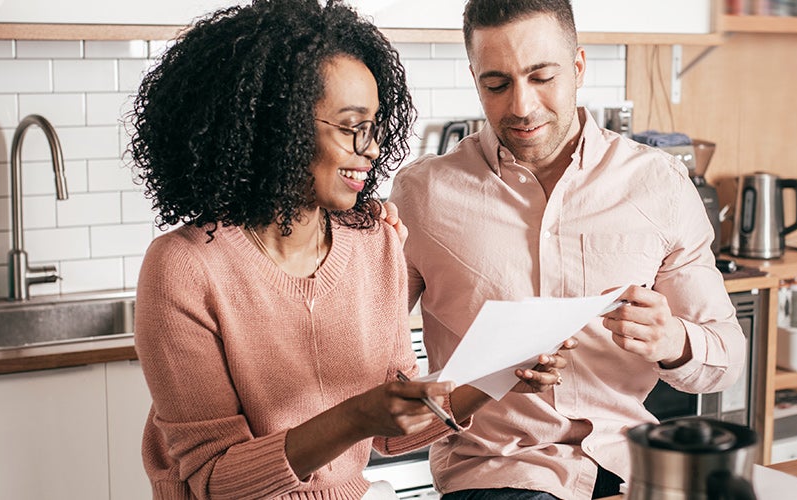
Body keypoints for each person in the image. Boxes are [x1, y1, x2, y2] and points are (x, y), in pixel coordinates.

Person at [127, 1, 571, 498]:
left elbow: (392, 428)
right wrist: (356, 414)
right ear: (274, 125)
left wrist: (498, 376)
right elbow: (215, 479)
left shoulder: (372, 242)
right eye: (350, 125)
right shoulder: (185, 267)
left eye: (375, 124)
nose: (374, 147)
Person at [388, 0, 748, 498]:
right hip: (502, 470)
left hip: (633, 462)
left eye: (541, 77)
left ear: (578, 66)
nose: (521, 106)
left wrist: (673, 342)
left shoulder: (657, 183)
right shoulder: (423, 196)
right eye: (496, 84)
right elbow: (374, 362)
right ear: (475, 79)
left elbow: (728, 358)